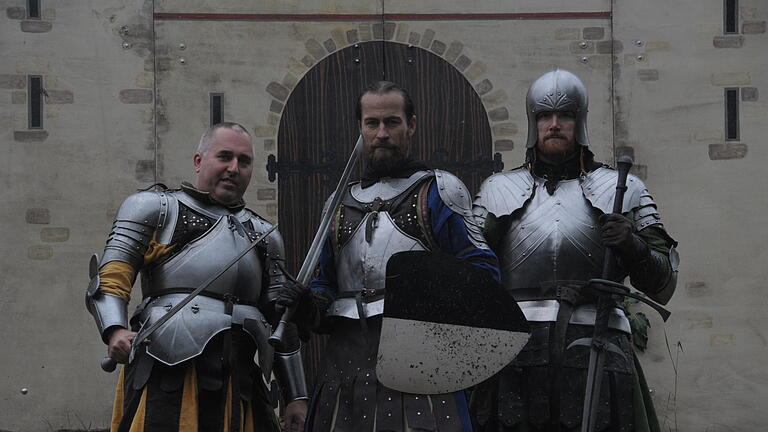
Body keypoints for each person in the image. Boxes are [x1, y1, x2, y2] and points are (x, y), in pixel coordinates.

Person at [278, 81, 500, 431]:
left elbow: (483, 274)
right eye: (372, 123)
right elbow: (326, 284)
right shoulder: (338, 203)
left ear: (411, 124)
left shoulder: (439, 191)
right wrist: (309, 306)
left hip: (420, 368)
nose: (381, 133)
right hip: (344, 369)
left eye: (392, 122)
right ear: (360, 128)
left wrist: (432, 302)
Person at [470, 69, 679, 432]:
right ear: (532, 122)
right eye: (544, 116)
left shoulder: (624, 189)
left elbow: (663, 284)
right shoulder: (496, 190)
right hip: (516, 351)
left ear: (580, 120)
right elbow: (471, 275)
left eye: (564, 115)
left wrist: (632, 245)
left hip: (598, 342)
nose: (554, 124)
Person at [85, 122, 308, 432]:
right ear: (199, 161)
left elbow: (281, 317)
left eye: (243, 161)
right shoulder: (157, 209)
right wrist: (114, 330)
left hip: (241, 374)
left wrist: (296, 395)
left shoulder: (264, 234)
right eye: (225, 156)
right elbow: (112, 277)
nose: (233, 168)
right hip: (169, 368)